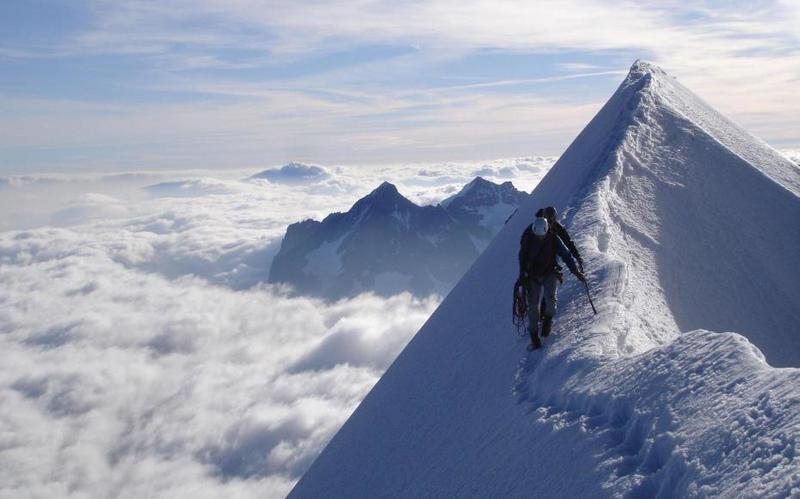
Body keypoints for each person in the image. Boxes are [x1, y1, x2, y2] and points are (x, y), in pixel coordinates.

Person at [518, 215, 586, 350]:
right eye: (538, 237)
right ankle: (534, 335)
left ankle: (547, 321)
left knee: (550, 299)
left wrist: (575, 271)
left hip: (548, 272)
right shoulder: (529, 239)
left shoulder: (553, 239)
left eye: (541, 236)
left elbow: (566, 255)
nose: (540, 238)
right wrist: (523, 274)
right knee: (533, 306)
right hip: (533, 275)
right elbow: (522, 257)